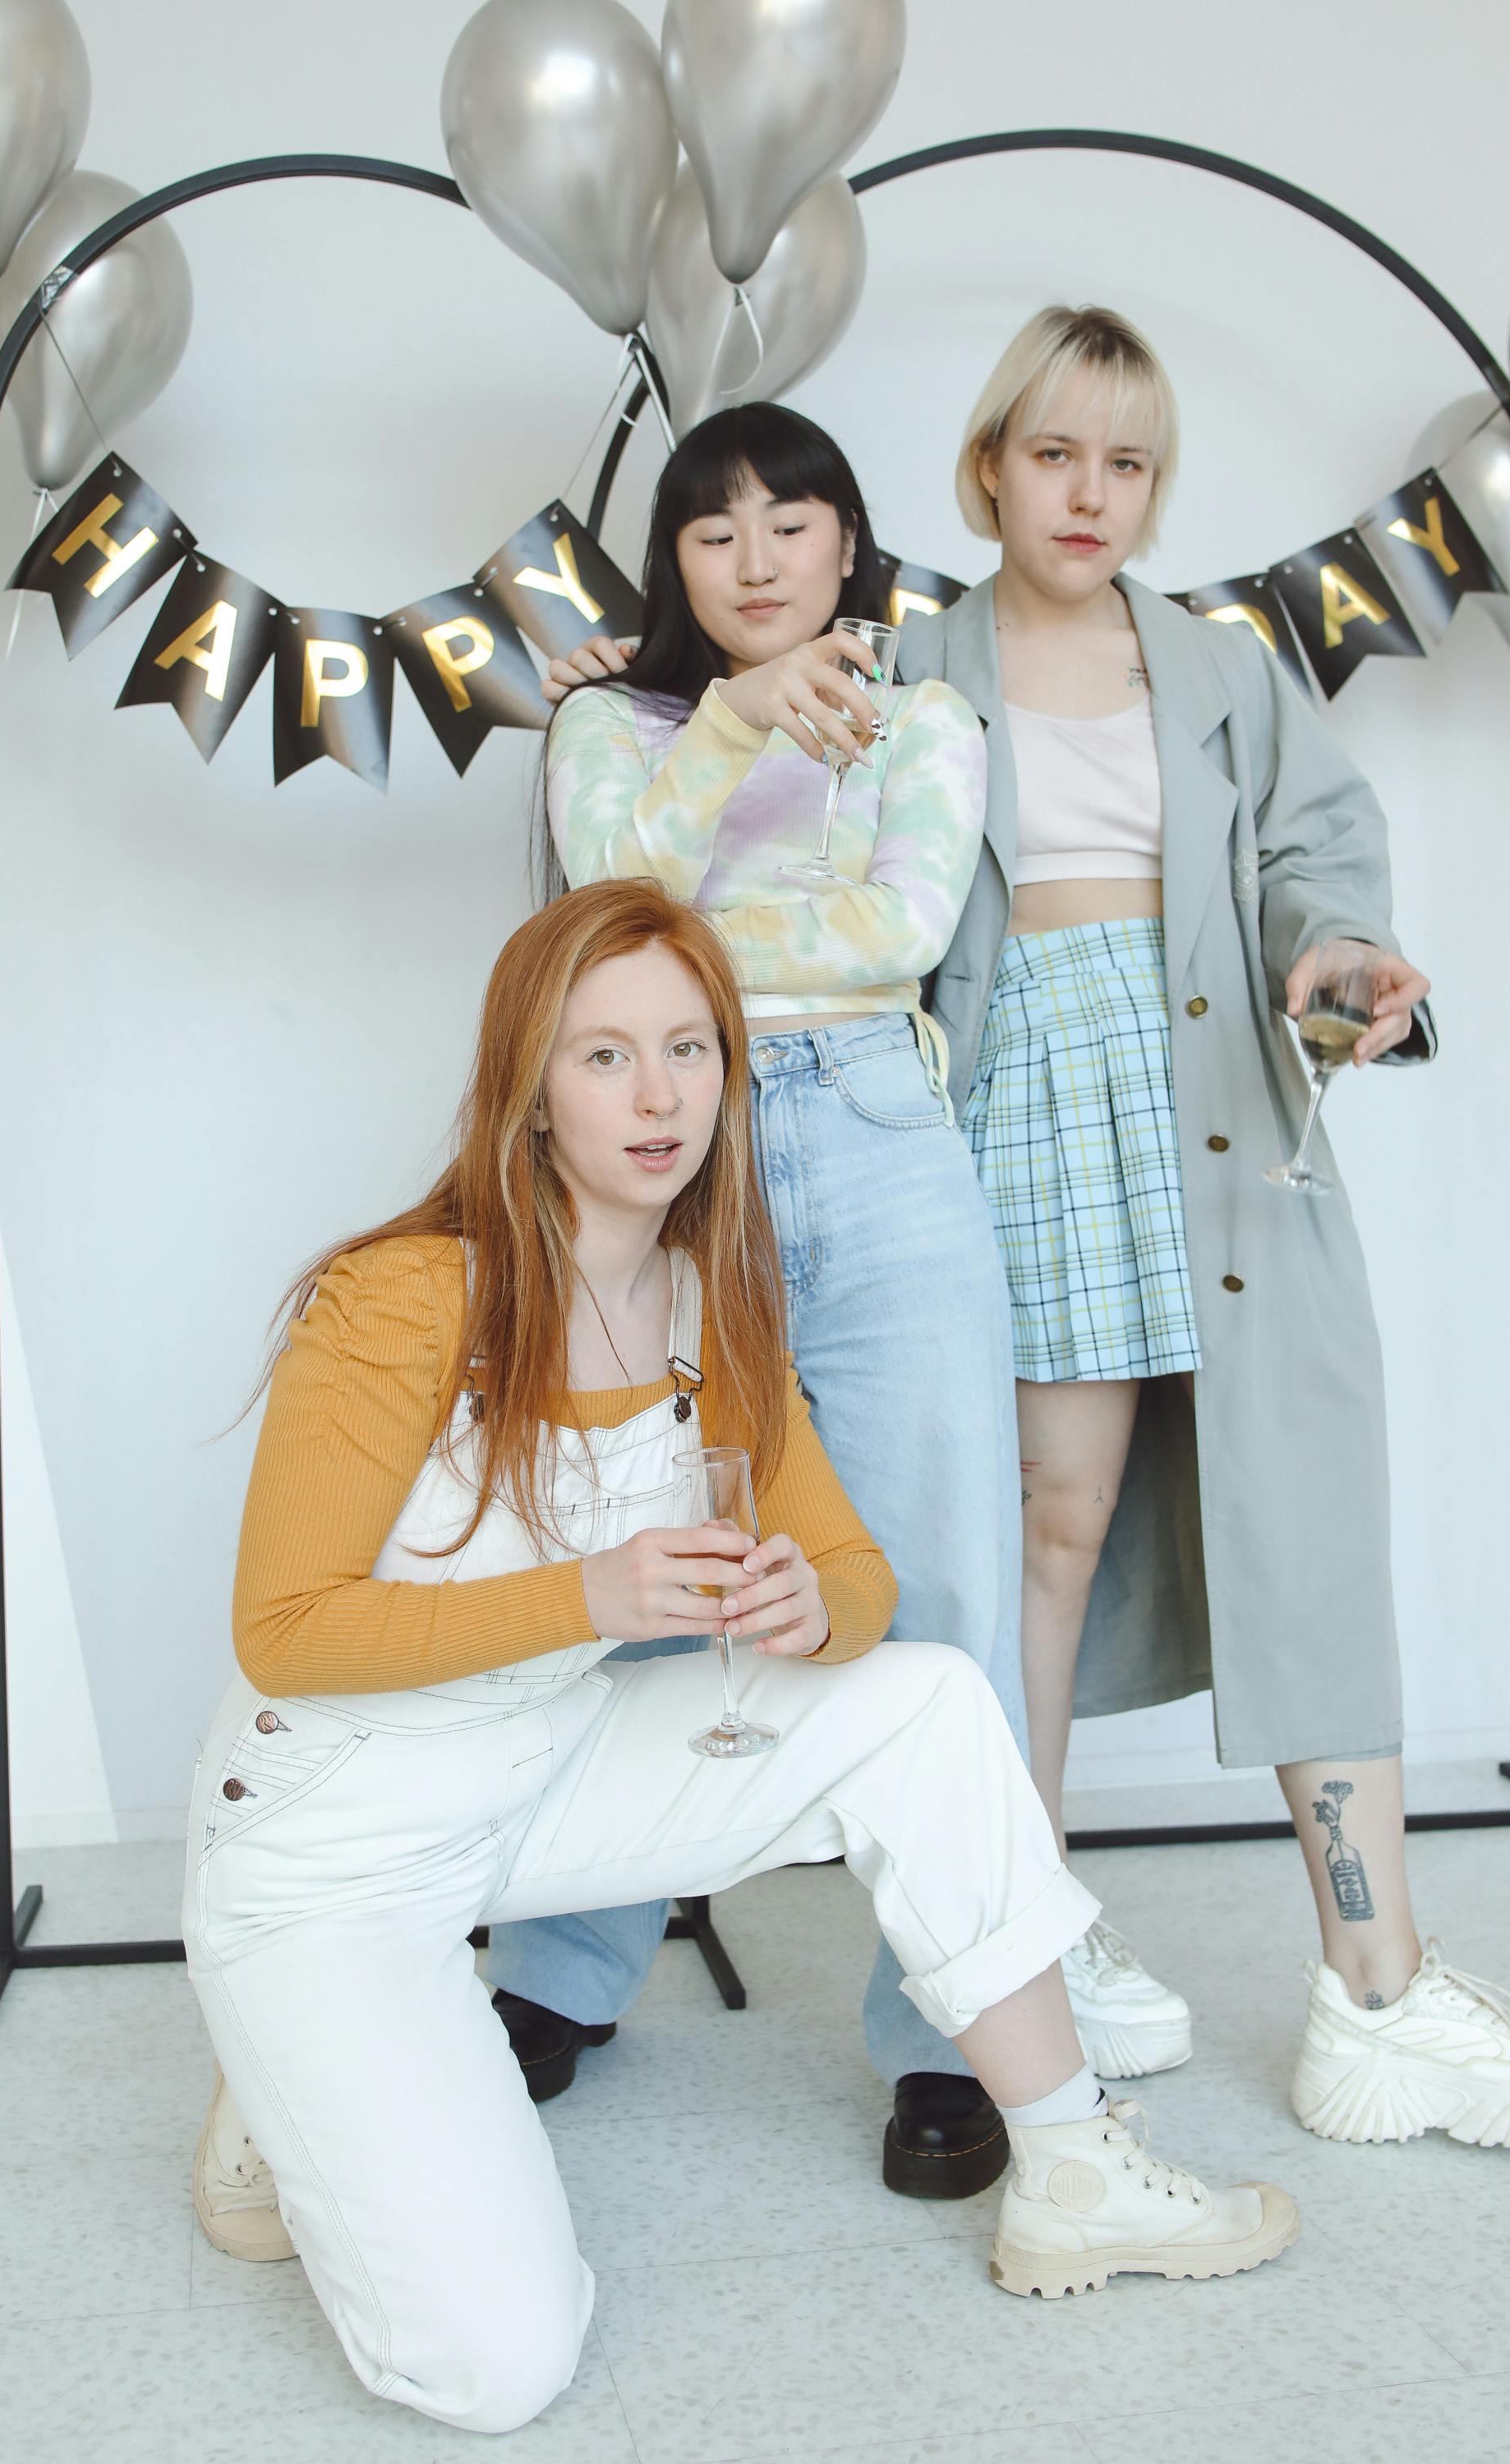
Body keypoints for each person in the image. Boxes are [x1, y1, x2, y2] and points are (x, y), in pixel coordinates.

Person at [542, 309, 1510, 2144]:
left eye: (1128, 462)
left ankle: (1370, 1984)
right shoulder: (893, 664)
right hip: (996, 1108)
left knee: (1291, 1498)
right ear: (984, 469)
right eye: (1054, 453)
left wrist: (1332, 951)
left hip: (1215, 1098)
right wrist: (656, 678)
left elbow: (1307, 859)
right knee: (1025, 1530)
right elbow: (713, 763)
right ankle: (1017, 1956)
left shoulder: (1219, 668)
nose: (1089, 493)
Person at [183, 880, 1297, 2434]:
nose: (659, 1099)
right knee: (498, 2370)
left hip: (538, 1784)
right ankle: (287, 2069)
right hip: (334, 1845)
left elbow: (852, 1572)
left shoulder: (716, 1300)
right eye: (604, 1057)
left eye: (691, 1049)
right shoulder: (402, 1297)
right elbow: (282, 1632)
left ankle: (1071, 2163)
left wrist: (804, 1605)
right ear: (527, 1083)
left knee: (924, 1698)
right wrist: (594, 1597)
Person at [489, 402, 1024, 2200]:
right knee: (646, 1560)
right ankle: (568, 1969)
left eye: (792, 523)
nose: (757, 561)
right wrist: (719, 730)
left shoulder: (927, 719)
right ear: (674, 566)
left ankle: (951, 2030)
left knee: (937, 1580)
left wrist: (699, 914)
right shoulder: (602, 722)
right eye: (713, 535)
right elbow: (608, 907)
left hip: (874, 1137)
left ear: (848, 539)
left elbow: (896, 933)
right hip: (668, 1154)